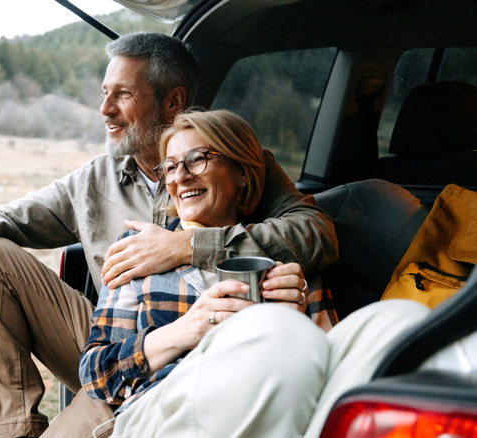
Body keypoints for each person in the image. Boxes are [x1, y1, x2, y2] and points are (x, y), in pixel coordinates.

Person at [0, 32, 338, 438]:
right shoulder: (92, 181)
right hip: (112, 343)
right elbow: (0, 218)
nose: (105, 109)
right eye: (104, 93)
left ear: (173, 102)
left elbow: (315, 234)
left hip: (216, 355)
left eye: (123, 94)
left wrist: (184, 246)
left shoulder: (234, 165)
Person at [79, 110, 430, 437]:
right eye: (169, 167)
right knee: (275, 330)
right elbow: (96, 372)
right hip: (167, 406)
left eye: (197, 159)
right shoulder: (138, 250)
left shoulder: (283, 253)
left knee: (399, 320)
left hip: (289, 404)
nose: (181, 176)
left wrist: (300, 321)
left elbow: (332, 360)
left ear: (242, 175)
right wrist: (187, 329)